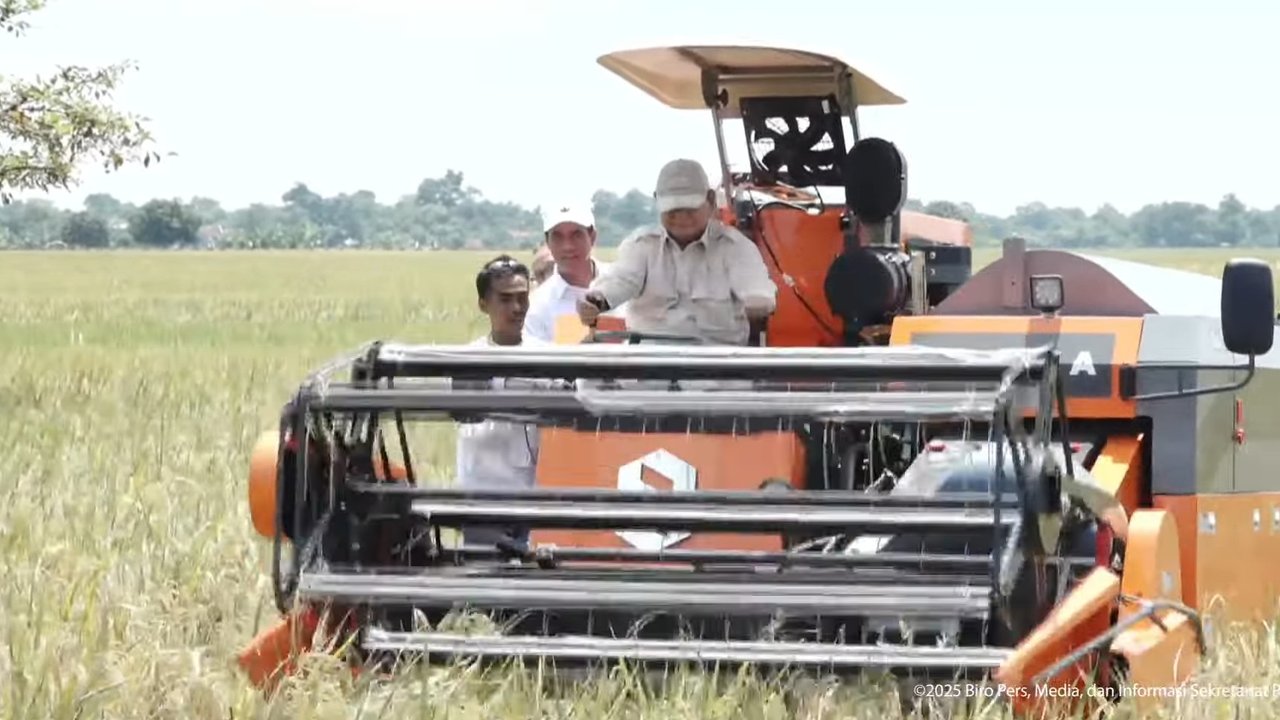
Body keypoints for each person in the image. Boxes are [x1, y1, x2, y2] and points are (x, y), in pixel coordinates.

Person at [576, 158, 777, 345]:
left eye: (689, 209)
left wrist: (757, 302)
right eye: (672, 210)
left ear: (710, 199)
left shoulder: (736, 249)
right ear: (657, 201)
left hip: (717, 368)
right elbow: (621, 281)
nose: (681, 217)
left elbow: (757, 291)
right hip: (650, 368)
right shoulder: (641, 246)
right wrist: (596, 301)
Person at [455, 254, 546, 548]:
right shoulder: (466, 360)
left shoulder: (550, 357)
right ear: (484, 304)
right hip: (483, 498)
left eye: (522, 298)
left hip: (537, 499)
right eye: (505, 299)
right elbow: (465, 413)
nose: (516, 308)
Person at [523, 203, 620, 341]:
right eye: (558, 236)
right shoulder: (537, 306)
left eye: (576, 235)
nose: (567, 246)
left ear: (592, 236)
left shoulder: (625, 285)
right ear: (547, 242)